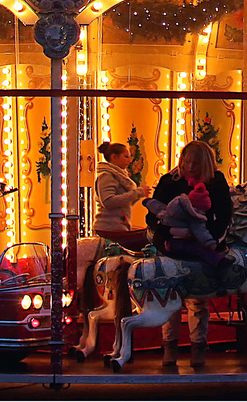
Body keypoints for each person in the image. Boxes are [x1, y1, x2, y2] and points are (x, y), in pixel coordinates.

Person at [148, 140, 233, 369]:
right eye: (186, 162)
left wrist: (208, 237)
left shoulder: (215, 182)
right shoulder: (169, 182)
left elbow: (224, 214)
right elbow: (153, 216)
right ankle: (170, 346)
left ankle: (198, 346)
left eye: (195, 163)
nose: (190, 166)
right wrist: (168, 232)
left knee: (198, 299)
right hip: (171, 242)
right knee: (171, 298)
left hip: (201, 241)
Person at [93, 141, 152, 253]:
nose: (129, 161)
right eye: (126, 157)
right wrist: (137, 193)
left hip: (119, 226)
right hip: (109, 227)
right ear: (114, 157)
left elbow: (124, 202)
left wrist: (138, 194)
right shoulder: (107, 176)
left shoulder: (119, 175)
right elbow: (108, 201)